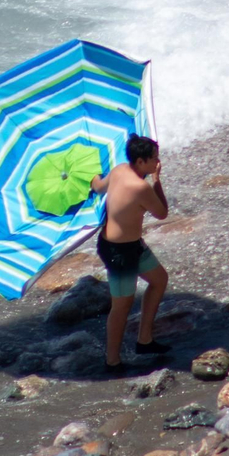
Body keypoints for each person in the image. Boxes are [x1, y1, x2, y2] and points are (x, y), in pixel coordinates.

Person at [90, 133, 170, 371]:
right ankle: (112, 361)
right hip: (119, 252)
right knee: (122, 306)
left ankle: (144, 340)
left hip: (131, 245)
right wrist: (157, 181)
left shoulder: (119, 170)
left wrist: (90, 174)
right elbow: (162, 213)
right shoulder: (140, 186)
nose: (158, 163)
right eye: (154, 159)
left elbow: (98, 187)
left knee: (159, 279)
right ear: (141, 162)